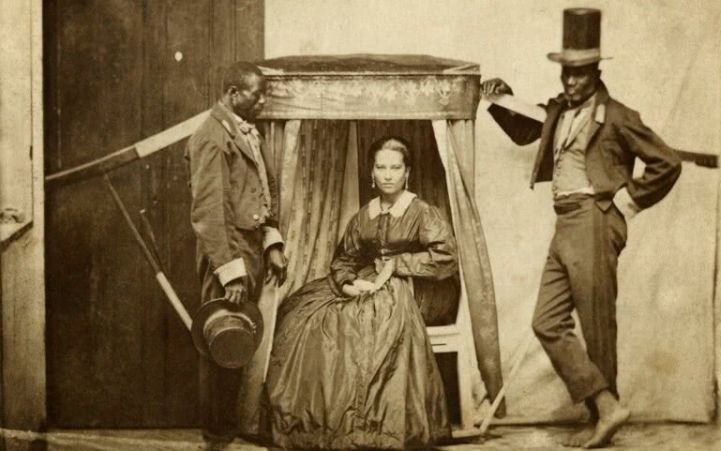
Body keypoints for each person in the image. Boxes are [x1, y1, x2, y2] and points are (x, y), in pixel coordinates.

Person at [481, 8, 682, 449]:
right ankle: (607, 407)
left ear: (596, 72)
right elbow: (523, 131)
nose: (571, 82)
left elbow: (667, 162)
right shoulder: (557, 110)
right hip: (565, 222)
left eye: (581, 73)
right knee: (547, 321)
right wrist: (500, 98)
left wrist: (627, 202)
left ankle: (601, 419)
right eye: (566, 73)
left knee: (597, 326)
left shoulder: (618, 115)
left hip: (594, 219)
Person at [264, 136, 455, 450]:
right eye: (381, 167)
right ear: (372, 171)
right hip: (372, 279)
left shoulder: (421, 212)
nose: (388, 175)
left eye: (395, 167)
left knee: (369, 314)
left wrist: (398, 264)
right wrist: (348, 283)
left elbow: (446, 258)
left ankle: (371, 425)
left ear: (407, 172)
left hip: (421, 286)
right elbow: (344, 258)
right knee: (306, 311)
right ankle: (326, 421)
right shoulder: (364, 215)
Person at [185, 61, 288, 448]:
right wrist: (231, 272)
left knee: (237, 343)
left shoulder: (247, 133)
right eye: (256, 95)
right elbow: (209, 213)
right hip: (226, 255)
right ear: (232, 94)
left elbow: (263, 191)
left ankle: (227, 431)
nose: (263, 102)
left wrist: (271, 242)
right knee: (222, 343)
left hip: (249, 251)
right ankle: (216, 438)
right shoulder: (211, 138)